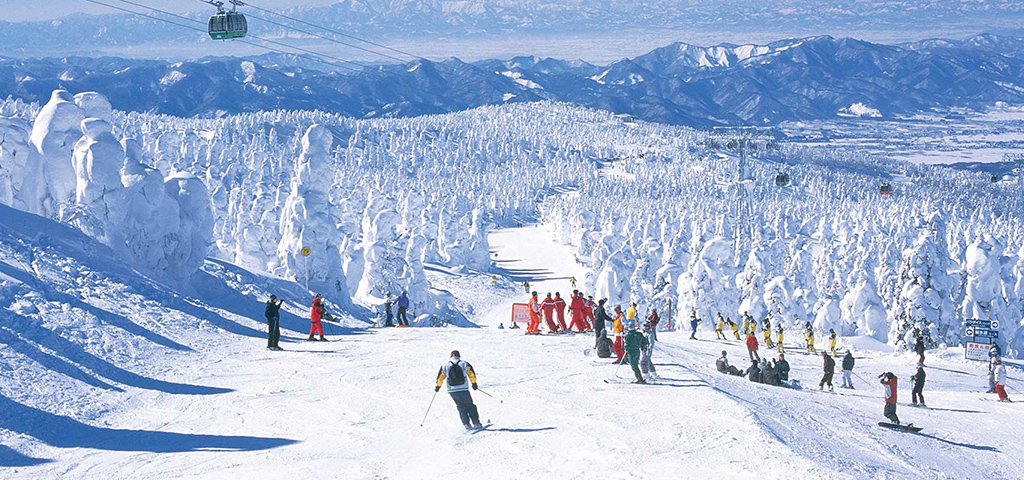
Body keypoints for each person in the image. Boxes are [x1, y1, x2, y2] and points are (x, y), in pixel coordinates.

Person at [434, 350, 483, 430]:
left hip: (452, 390)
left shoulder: (445, 365)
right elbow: (471, 374)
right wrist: (474, 384)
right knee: (470, 405)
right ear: (459, 356)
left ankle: (466, 424)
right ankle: (476, 423)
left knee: (461, 406)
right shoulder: (464, 363)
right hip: (463, 389)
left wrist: (438, 386)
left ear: (451, 356)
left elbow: (440, 377)